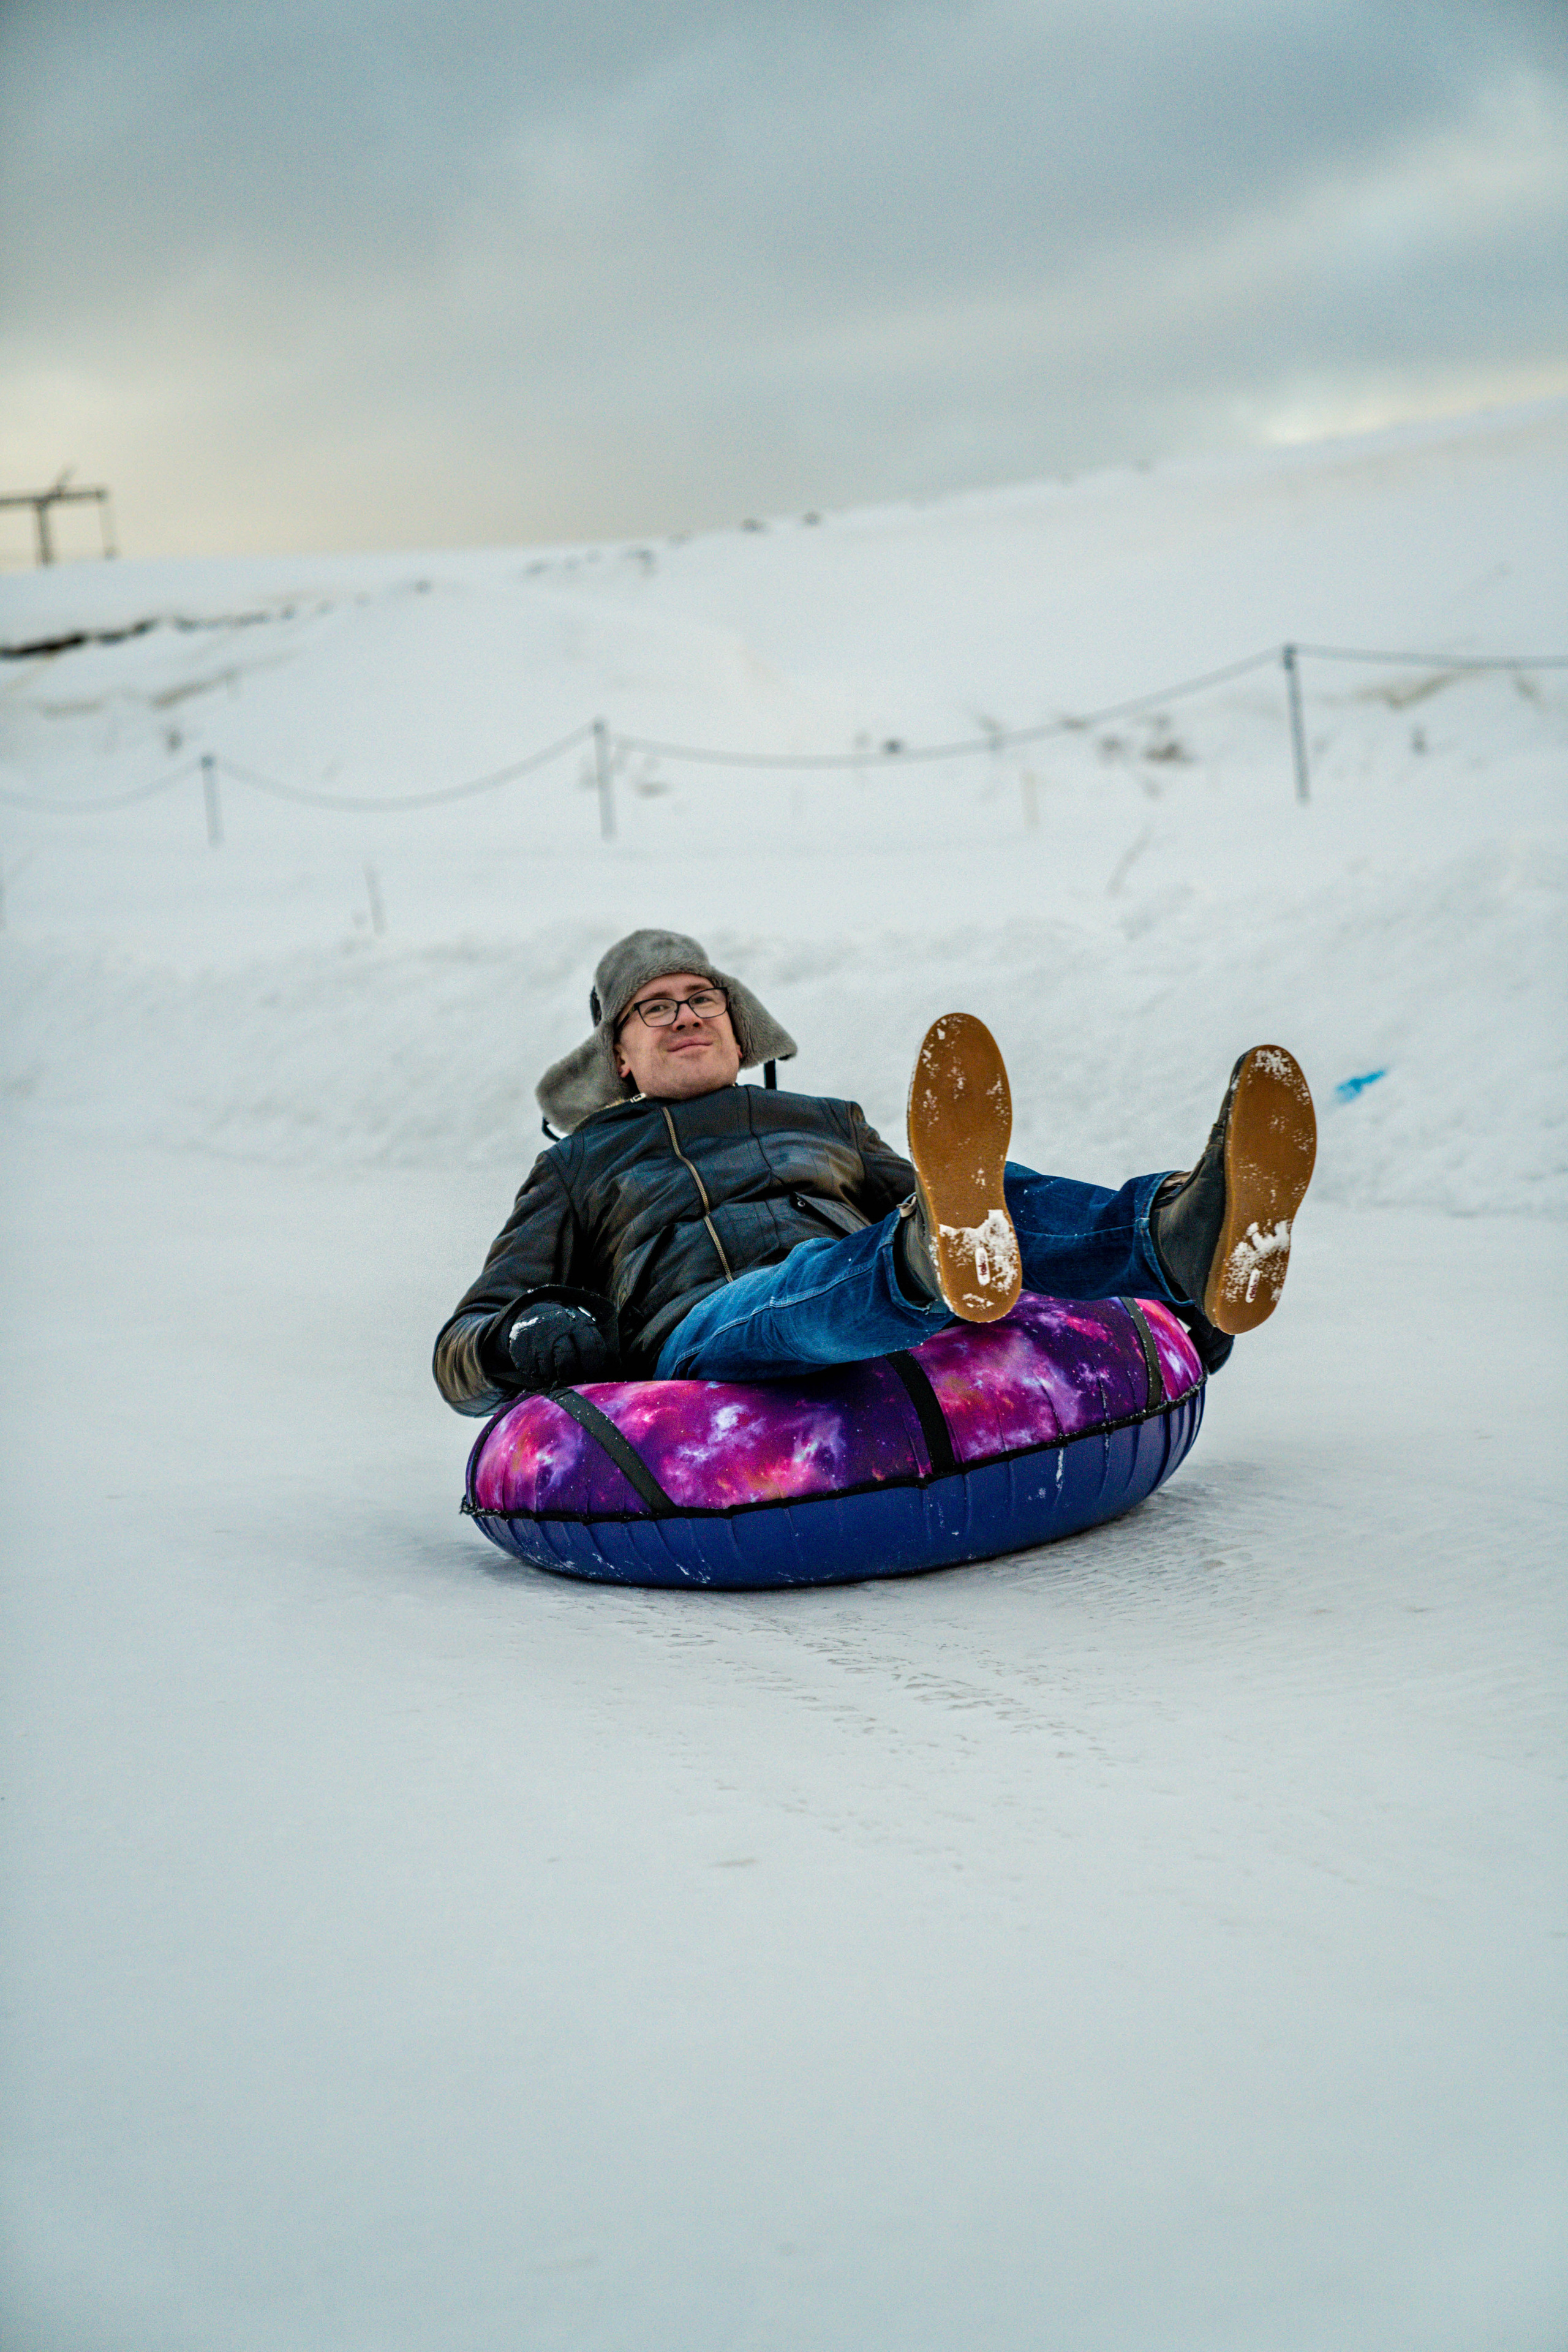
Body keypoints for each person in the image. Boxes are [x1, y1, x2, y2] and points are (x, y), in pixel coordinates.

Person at [433, 927, 1316, 1414]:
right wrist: (512, 1343)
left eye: (702, 997)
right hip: (706, 1326)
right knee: (830, 1275)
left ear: (740, 1027)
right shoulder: (581, 1165)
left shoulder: (826, 1122)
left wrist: (1153, 1316)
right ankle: (921, 1268)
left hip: (868, 1284)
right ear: (619, 1057)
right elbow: (462, 1346)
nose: (684, 1016)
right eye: (652, 1009)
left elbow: (962, 1212)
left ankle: (1177, 1237)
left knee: (987, 1196)